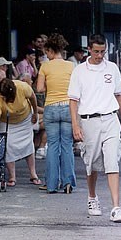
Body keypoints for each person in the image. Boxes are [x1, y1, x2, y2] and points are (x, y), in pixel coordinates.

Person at [68, 34, 121, 222]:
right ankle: (92, 197)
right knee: (92, 163)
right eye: (96, 51)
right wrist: (75, 124)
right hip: (89, 121)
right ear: (89, 49)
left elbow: (119, 95)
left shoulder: (111, 68)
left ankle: (116, 208)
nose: (99, 55)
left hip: (110, 119)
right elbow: (73, 100)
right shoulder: (79, 71)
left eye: (103, 51)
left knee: (112, 161)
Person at [36, 33, 76, 194]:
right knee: (67, 145)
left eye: (47, 52)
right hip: (67, 107)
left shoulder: (45, 66)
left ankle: (51, 184)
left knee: (52, 146)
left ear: (51, 51)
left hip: (51, 107)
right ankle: (68, 183)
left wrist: (49, 87)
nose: (46, 55)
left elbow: (39, 89)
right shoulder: (71, 66)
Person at [0, 78, 42, 187]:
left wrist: (35, 113)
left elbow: (32, 98)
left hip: (24, 117)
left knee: (28, 144)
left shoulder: (22, 87)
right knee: (7, 145)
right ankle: (12, 176)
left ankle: (33, 173)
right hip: (6, 121)